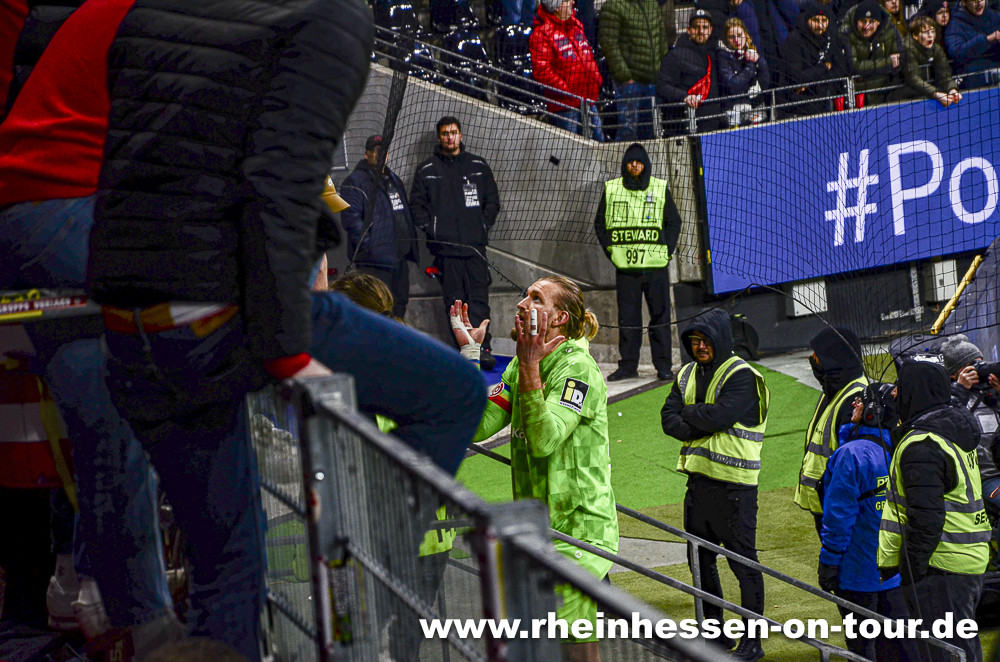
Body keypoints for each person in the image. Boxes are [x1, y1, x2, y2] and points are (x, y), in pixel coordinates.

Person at [87, 2, 485, 658]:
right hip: (221, 311)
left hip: (131, 325)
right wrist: (289, 353)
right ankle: (377, 596)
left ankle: (360, 575)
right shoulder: (330, 18)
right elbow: (278, 179)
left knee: (228, 568)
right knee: (455, 393)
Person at [0, 0, 178, 649]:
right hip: (57, 210)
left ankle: (84, 578)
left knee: (89, 404)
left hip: (55, 216)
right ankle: (99, 585)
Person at [452, 276, 619, 662]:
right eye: (526, 294)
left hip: (579, 532)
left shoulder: (578, 370)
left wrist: (528, 366)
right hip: (541, 529)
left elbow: (545, 440)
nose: (522, 302)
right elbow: (477, 425)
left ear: (559, 317)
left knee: (573, 649)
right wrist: (471, 358)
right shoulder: (522, 366)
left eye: (535, 298)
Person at [660, 308, 769, 662]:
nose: (699, 347)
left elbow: (719, 416)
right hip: (698, 485)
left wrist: (692, 416)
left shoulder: (742, 375)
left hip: (736, 489)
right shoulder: (687, 373)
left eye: (705, 340)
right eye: (694, 341)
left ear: (719, 339)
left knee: (743, 565)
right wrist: (701, 418)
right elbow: (668, 419)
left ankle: (753, 641)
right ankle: (713, 634)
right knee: (700, 562)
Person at [878, 361, 991, 662]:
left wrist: (911, 568)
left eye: (901, 387)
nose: (895, 394)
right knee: (961, 646)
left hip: (941, 566)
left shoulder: (922, 443)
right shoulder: (952, 430)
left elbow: (926, 518)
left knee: (947, 653)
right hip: (966, 558)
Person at [818, 382, 913, 662]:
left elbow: (838, 516)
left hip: (858, 572)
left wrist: (829, 561)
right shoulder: (901, 446)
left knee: (862, 649)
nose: (854, 406)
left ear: (871, 411)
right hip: (893, 569)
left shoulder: (851, 454)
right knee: (897, 645)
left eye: (860, 402)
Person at [410, 116, 501, 370]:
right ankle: (465, 350)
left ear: (460, 135)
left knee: (479, 298)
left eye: (453, 132)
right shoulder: (427, 170)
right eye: (445, 134)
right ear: (439, 138)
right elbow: (416, 207)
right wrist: (434, 231)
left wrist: (481, 227)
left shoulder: (478, 165)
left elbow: (492, 202)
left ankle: (482, 348)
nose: (449, 137)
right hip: (446, 252)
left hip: (475, 249)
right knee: (454, 302)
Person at [593, 142, 681, 383]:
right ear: (625, 164)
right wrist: (611, 251)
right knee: (628, 319)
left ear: (646, 164)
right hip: (626, 269)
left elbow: (674, 222)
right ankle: (628, 366)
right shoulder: (612, 189)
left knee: (660, 317)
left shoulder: (659, 187)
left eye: (639, 162)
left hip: (656, 267)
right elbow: (600, 225)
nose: (635, 166)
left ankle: (663, 366)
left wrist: (667, 251)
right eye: (631, 162)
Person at [795, 327, 867, 535]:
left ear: (832, 360)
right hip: (829, 503)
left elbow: (854, 465)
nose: (812, 359)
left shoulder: (854, 399)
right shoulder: (835, 391)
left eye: (817, 356)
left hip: (841, 508)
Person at [338, 134, 419, 318]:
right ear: (367, 154)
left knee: (399, 304)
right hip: (374, 263)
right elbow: (351, 220)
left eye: (384, 151)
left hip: (398, 259)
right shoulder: (355, 181)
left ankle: (396, 344)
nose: (381, 155)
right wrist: (370, 247)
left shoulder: (392, 179)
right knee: (378, 308)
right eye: (377, 151)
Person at [941, 335, 1000, 522]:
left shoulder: (992, 394)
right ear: (954, 374)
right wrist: (960, 389)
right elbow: (948, 426)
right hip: (984, 478)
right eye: (971, 365)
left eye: (980, 363)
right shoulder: (949, 399)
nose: (978, 370)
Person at [529, 0, 604, 141]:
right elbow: (542, 72)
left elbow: (588, 56)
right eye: (566, 0)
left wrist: (596, 78)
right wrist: (567, 91)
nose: (572, 2)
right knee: (569, 153)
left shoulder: (576, 25)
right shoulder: (542, 34)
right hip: (565, 109)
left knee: (599, 145)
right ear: (556, 7)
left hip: (588, 101)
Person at [599, 0, 673, 141]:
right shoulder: (613, 6)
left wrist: (663, 69)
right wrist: (625, 76)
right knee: (628, 131)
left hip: (653, 81)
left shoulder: (651, 3)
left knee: (652, 131)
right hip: (630, 84)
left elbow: (661, 38)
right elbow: (609, 44)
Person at [656, 9, 723, 135]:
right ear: (688, 30)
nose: (701, 31)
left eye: (705, 27)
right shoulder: (675, 55)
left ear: (711, 30)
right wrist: (684, 97)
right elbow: (662, 86)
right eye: (696, 27)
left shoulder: (715, 54)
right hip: (686, 128)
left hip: (715, 128)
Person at [779, 1, 852, 116]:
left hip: (825, 99)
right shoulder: (794, 39)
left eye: (824, 21)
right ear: (807, 19)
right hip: (798, 105)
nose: (820, 25)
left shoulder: (832, 36)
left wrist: (812, 80)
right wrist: (824, 67)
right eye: (815, 20)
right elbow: (797, 77)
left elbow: (840, 70)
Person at [715, 18, 770, 126]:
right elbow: (733, 86)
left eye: (740, 35)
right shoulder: (722, 56)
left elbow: (765, 83)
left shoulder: (751, 50)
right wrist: (750, 65)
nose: (737, 40)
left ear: (745, 34)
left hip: (757, 109)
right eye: (731, 37)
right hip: (734, 113)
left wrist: (759, 61)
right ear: (726, 39)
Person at [847, 0, 904, 105]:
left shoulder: (891, 30)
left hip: (889, 94)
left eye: (871, 21)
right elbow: (854, 67)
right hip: (859, 98)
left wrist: (867, 68)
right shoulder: (848, 35)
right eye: (863, 21)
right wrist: (888, 62)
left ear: (878, 22)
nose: (866, 26)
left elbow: (900, 60)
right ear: (856, 21)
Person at [899, 15, 962, 104]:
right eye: (925, 32)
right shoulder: (907, 48)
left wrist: (953, 90)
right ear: (915, 36)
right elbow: (913, 78)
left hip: (927, 90)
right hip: (906, 94)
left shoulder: (936, 49)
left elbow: (945, 76)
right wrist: (935, 94)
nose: (930, 36)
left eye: (932, 31)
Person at [944, 0, 1000, 88]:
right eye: (974, 0)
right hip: (972, 81)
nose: (979, 3)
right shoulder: (954, 25)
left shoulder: (995, 16)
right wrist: (986, 40)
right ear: (964, 2)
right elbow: (956, 52)